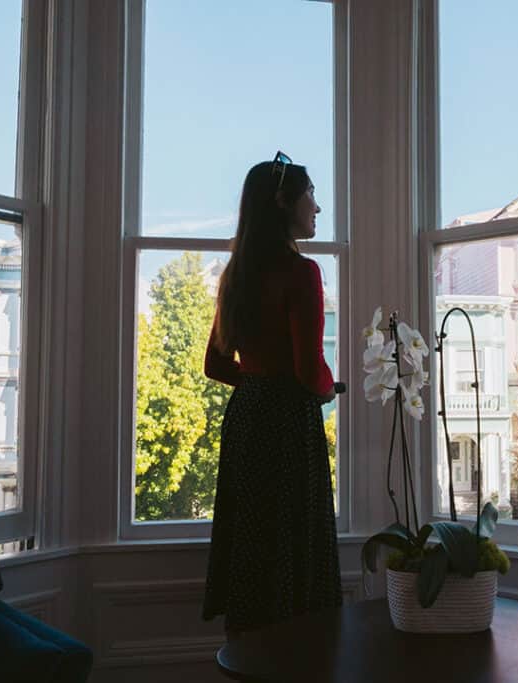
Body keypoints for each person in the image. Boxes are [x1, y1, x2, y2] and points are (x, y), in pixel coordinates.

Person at [201, 152, 342, 635]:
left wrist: (260, 382)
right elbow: (308, 370)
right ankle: (298, 656)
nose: (317, 208)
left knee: (253, 540)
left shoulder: (236, 275)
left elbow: (215, 364)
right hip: (287, 426)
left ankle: (249, 656)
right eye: (311, 195)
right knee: (292, 541)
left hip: (246, 420)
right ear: (284, 202)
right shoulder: (302, 273)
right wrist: (326, 390)